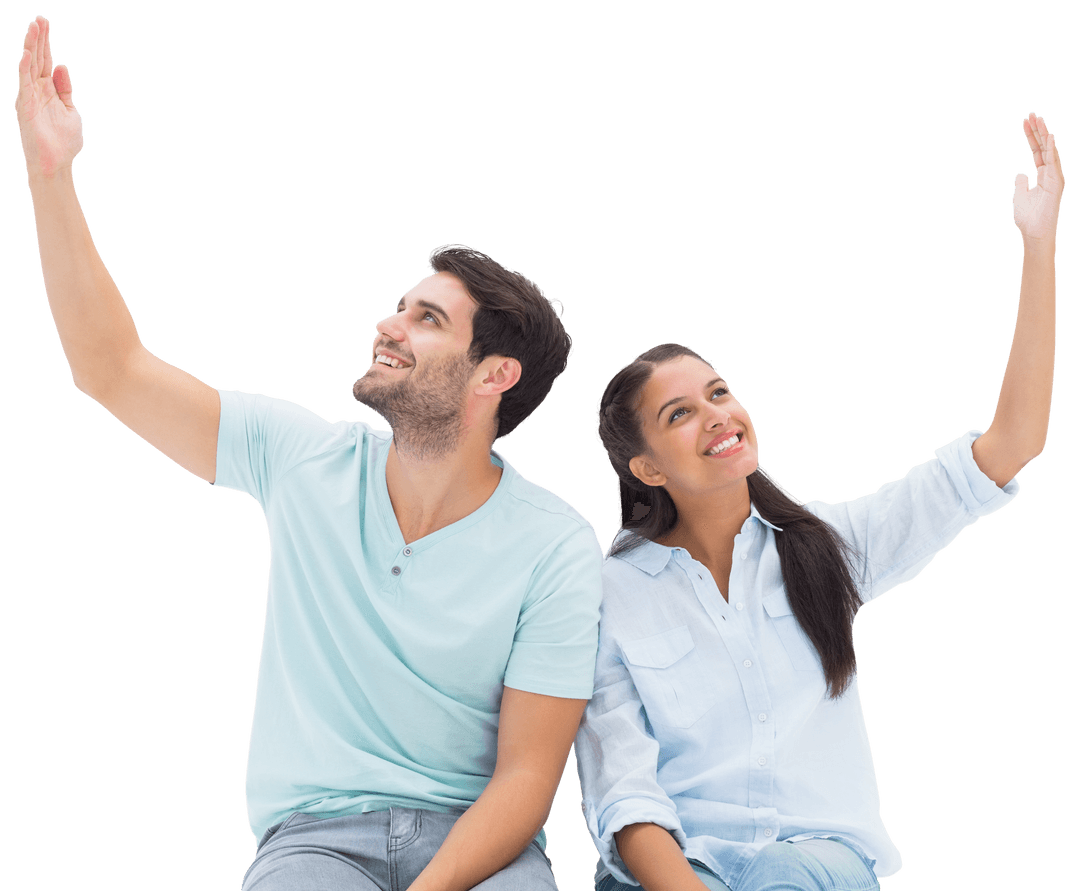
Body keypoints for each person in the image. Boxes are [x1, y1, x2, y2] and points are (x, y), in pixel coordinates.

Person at [15, 16, 602, 891]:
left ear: (495, 374)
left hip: (484, 850)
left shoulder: (556, 544)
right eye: (400, 306)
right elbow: (110, 367)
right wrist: (51, 172)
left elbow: (526, 776)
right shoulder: (302, 458)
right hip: (313, 842)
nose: (389, 325)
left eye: (426, 319)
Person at [576, 112, 1063, 891]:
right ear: (646, 468)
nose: (718, 416)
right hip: (677, 870)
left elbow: (1012, 442)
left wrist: (1039, 246)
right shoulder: (606, 593)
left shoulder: (825, 545)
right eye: (680, 414)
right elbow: (624, 792)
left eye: (719, 392)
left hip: (817, 866)